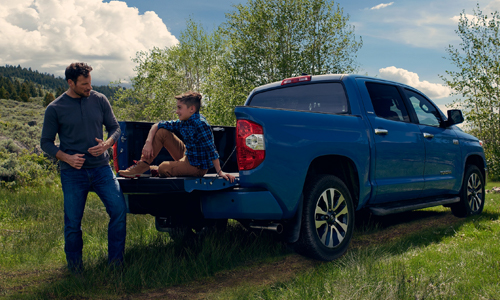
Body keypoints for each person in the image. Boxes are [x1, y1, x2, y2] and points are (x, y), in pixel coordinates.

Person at [40, 62, 126, 273]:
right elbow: (46, 142)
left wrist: (107, 144)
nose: (89, 87)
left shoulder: (99, 100)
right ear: (71, 83)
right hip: (72, 173)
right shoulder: (55, 108)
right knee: (72, 223)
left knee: (119, 211)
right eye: (84, 84)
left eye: (90, 82)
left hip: (101, 169)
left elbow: (115, 128)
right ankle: (76, 271)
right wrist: (66, 158)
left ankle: (116, 265)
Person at [118, 91, 235, 183]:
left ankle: (151, 169)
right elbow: (157, 125)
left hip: (197, 167)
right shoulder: (184, 121)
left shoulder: (200, 124)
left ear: (192, 109)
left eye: (179, 107)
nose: (176, 111)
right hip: (188, 156)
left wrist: (220, 172)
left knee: (163, 167)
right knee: (162, 132)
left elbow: (211, 150)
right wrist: (148, 143)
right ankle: (143, 165)